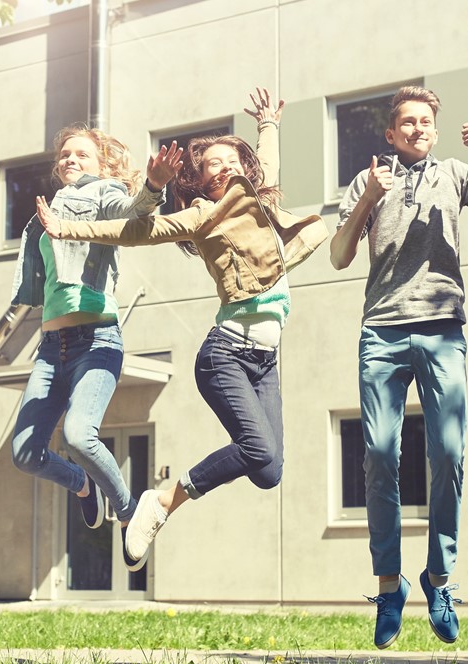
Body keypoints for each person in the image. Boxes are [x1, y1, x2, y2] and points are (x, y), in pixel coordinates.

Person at [34, 88, 328, 571]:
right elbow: (134, 232)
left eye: (229, 160)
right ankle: (164, 500)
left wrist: (268, 124)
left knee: (269, 470)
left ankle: (166, 498)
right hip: (226, 355)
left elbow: (268, 166)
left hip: (266, 360)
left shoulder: (262, 203)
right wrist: (68, 229)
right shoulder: (200, 217)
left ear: (244, 168)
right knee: (257, 447)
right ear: (202, 180)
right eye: (211, 165)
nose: (222, 168)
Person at [330, 86, 468, 648]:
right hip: (383, 329)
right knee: (378, 455)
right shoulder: (369, 180)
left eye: (426, 121)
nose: (418, 129)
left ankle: (438, 578)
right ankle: (389, 585)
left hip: (443, 330)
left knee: (447, 453)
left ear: (435, 130)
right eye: (407, 123)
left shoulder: (455, 174)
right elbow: (339, 254)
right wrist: (370, 197)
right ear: (391, 134)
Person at [8, 124, 181, 555]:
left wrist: (155, 186)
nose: (71, 159)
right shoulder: (45, 212)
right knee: (26, 454)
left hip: (96, 341)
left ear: (101, 164)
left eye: (82, 154)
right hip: (50, 350)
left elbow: (132, 210)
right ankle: (83, 483)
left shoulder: (101, 193)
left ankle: (128, 513)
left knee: (79, 434)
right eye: (65, 154)